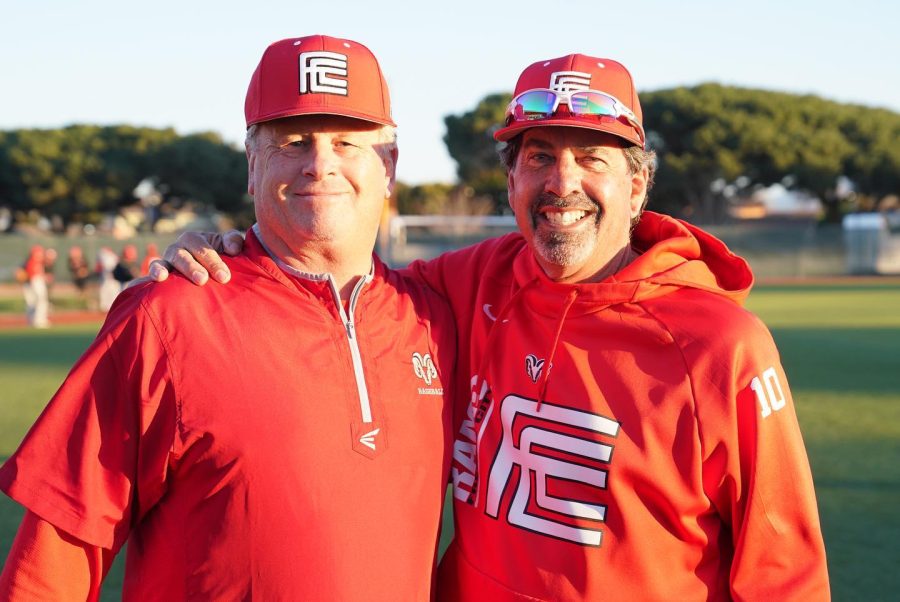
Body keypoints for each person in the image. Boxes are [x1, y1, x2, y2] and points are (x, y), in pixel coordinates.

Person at [156, 53, 831, 600]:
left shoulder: (720, 347)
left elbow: (785, 575)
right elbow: (340, 285)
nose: (561, 182)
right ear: (511, 180)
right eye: (539, 156)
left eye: (593, 157)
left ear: (638, 185)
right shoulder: (467, 285)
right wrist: (232, 245)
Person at [0, 35, 456, 600]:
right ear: (252, 163)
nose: (320, 165)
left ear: (388, 165)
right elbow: (53, 562)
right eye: (293, 142)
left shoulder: (437, 318)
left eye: (346, 143)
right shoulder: (168, 314)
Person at [20, 244, 50, 328]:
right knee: (40, 300)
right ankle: (39, 320)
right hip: (35, 282)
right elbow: (32, 274)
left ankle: (34, 320)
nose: (41, 254)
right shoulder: (31, 262)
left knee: (36, 301)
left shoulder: (38, 262)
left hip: (35, 282)